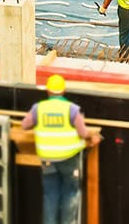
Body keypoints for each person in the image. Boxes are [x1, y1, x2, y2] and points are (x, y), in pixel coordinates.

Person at [22, 75, 102, 224]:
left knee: (50, 196)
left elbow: (24, 125)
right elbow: (83, 133)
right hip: (69, 158)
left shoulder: (38, 108)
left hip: (47, 159)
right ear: (63, 91)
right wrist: (93, 137)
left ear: (48, 91)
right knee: (70, 195)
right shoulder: (71, 109)